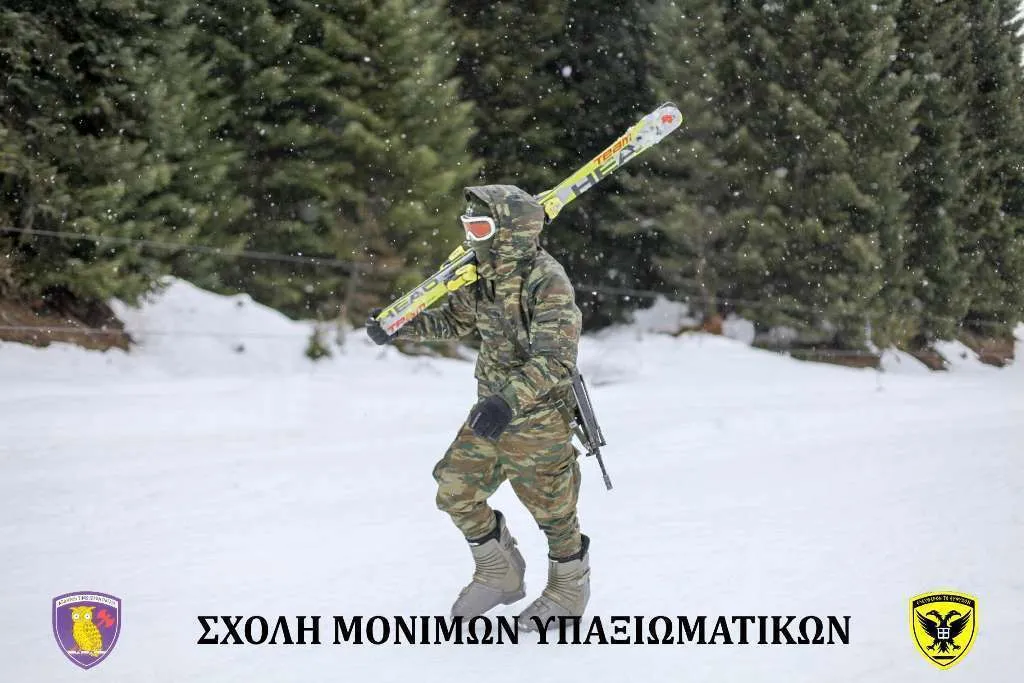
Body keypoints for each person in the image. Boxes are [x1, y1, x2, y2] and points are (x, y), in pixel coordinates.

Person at [365, 184, 590, 629]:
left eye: (482, 228)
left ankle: (568, 591)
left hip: (538, 416)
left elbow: (556, 360)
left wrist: (507, 401)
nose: (472, 237)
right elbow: (455, 320)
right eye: (468, 226)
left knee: (553, 511)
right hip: (492, 409)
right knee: (455, 487)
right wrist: (401, 326)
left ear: (511, 231)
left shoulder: (547, 281)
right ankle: (499, 572)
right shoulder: (482, 275)